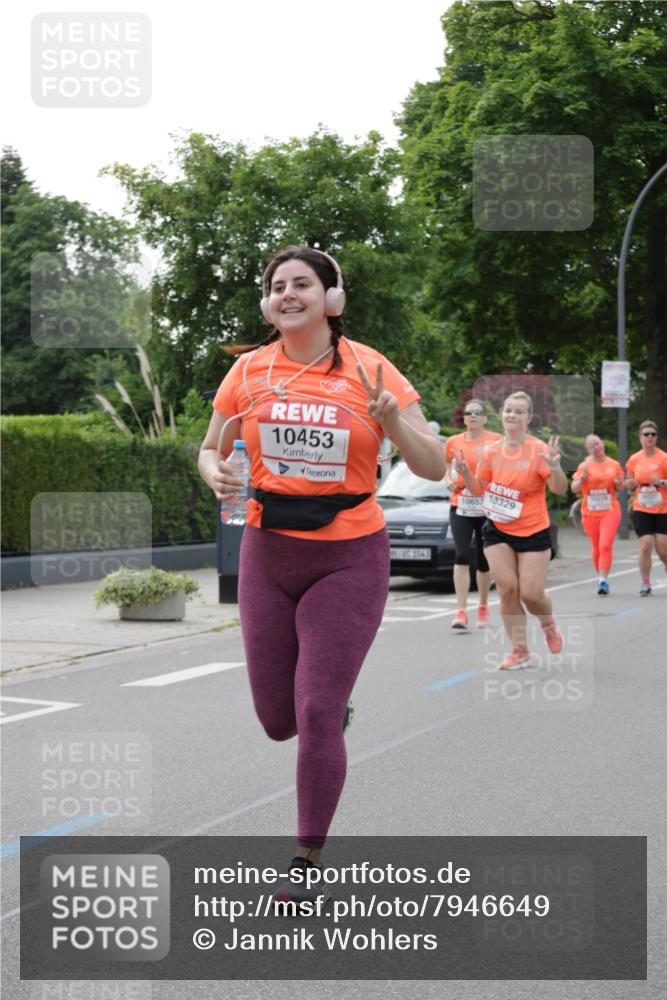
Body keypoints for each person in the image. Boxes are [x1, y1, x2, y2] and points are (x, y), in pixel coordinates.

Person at [198, 245, 445, 905]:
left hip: (349, 555)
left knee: (314, 710)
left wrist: (393, 422)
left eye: (302, 283)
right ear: (266, 303)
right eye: (277, 285)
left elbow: (433, 465)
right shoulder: (248, 371)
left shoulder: (371, 368)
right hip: (267, 554)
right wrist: (213, 469)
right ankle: (329, 710)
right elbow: (210, 445)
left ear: (331, 299)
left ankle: (305, 859)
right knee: (278, 720)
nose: (288, 293)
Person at [453, 391, 568, 670]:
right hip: (497, 528)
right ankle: (520, 651)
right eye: (508, 410)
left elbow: (558, 489)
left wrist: (555, 467)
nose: (512, 415)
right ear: (501, 415)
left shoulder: (539, 449)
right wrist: (465, 473)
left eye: (518, 411)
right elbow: (479, 490)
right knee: (507, 590)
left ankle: (548, 623)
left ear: (529, 418)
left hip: (533, 530)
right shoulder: (492, 451)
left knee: (531, 594)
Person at [444, 400, 501, 628]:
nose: (472, 416)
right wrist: (448, 480)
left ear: (485, 418)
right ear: (464, 418)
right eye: (468, 412)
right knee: (461, 555)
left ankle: (483, 607)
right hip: (461, 504)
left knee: (483, 558)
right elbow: (445, 467)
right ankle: (460, 611)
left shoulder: (496, 440)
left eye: (477, 412)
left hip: (485, 506)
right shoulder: (453, 441)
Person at [571, 434, 625, 595]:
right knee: (596, 546)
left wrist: (619, 483)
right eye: (592, 446)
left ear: (602, 444)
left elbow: (621, 487)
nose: (596, 447)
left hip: (610, 510)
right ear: (588, 450)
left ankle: (602, 580)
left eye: (598, 443)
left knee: (605, 545)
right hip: (590, 512)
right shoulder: (584, 466)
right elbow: (574, 488)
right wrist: (582, 479)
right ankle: (601, 577)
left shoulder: (614, 465)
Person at [624, 420, 667, 596]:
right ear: (640, 437)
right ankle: (645, 583)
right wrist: (629, 483)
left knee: (662, 549)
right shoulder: (634, 459)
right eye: (646, 434)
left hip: (662, 509)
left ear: (656, 437)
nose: (650, 437)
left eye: (653, 434)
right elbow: (628, 482)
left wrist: (661, 482)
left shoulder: (664, 458)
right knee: (645, 545)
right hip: (641, 507)